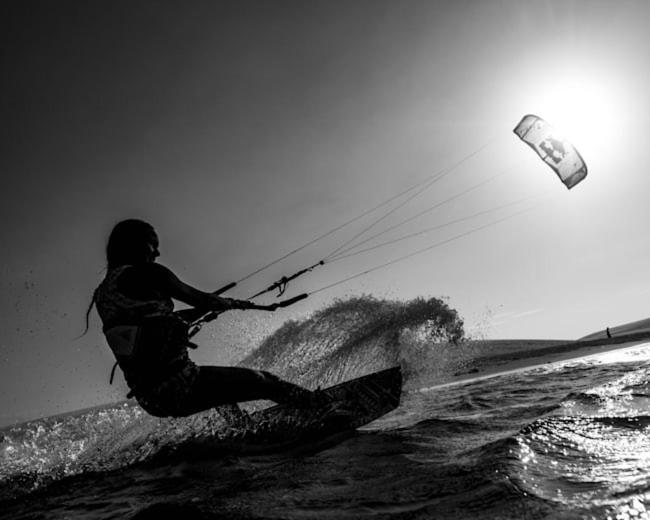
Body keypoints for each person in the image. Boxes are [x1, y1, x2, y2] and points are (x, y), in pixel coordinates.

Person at [88, 218, 322, 420]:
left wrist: (205, 310)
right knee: (265, 381)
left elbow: (150, 324)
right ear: (134, 244)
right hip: (181, 384)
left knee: (222, 393)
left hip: (150, 398)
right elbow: (200, 299)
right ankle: (326, 410)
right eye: (153, 245)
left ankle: (244, 433)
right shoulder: (148, 272)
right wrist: (226, 303)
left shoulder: (103, 294)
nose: (157, 253)